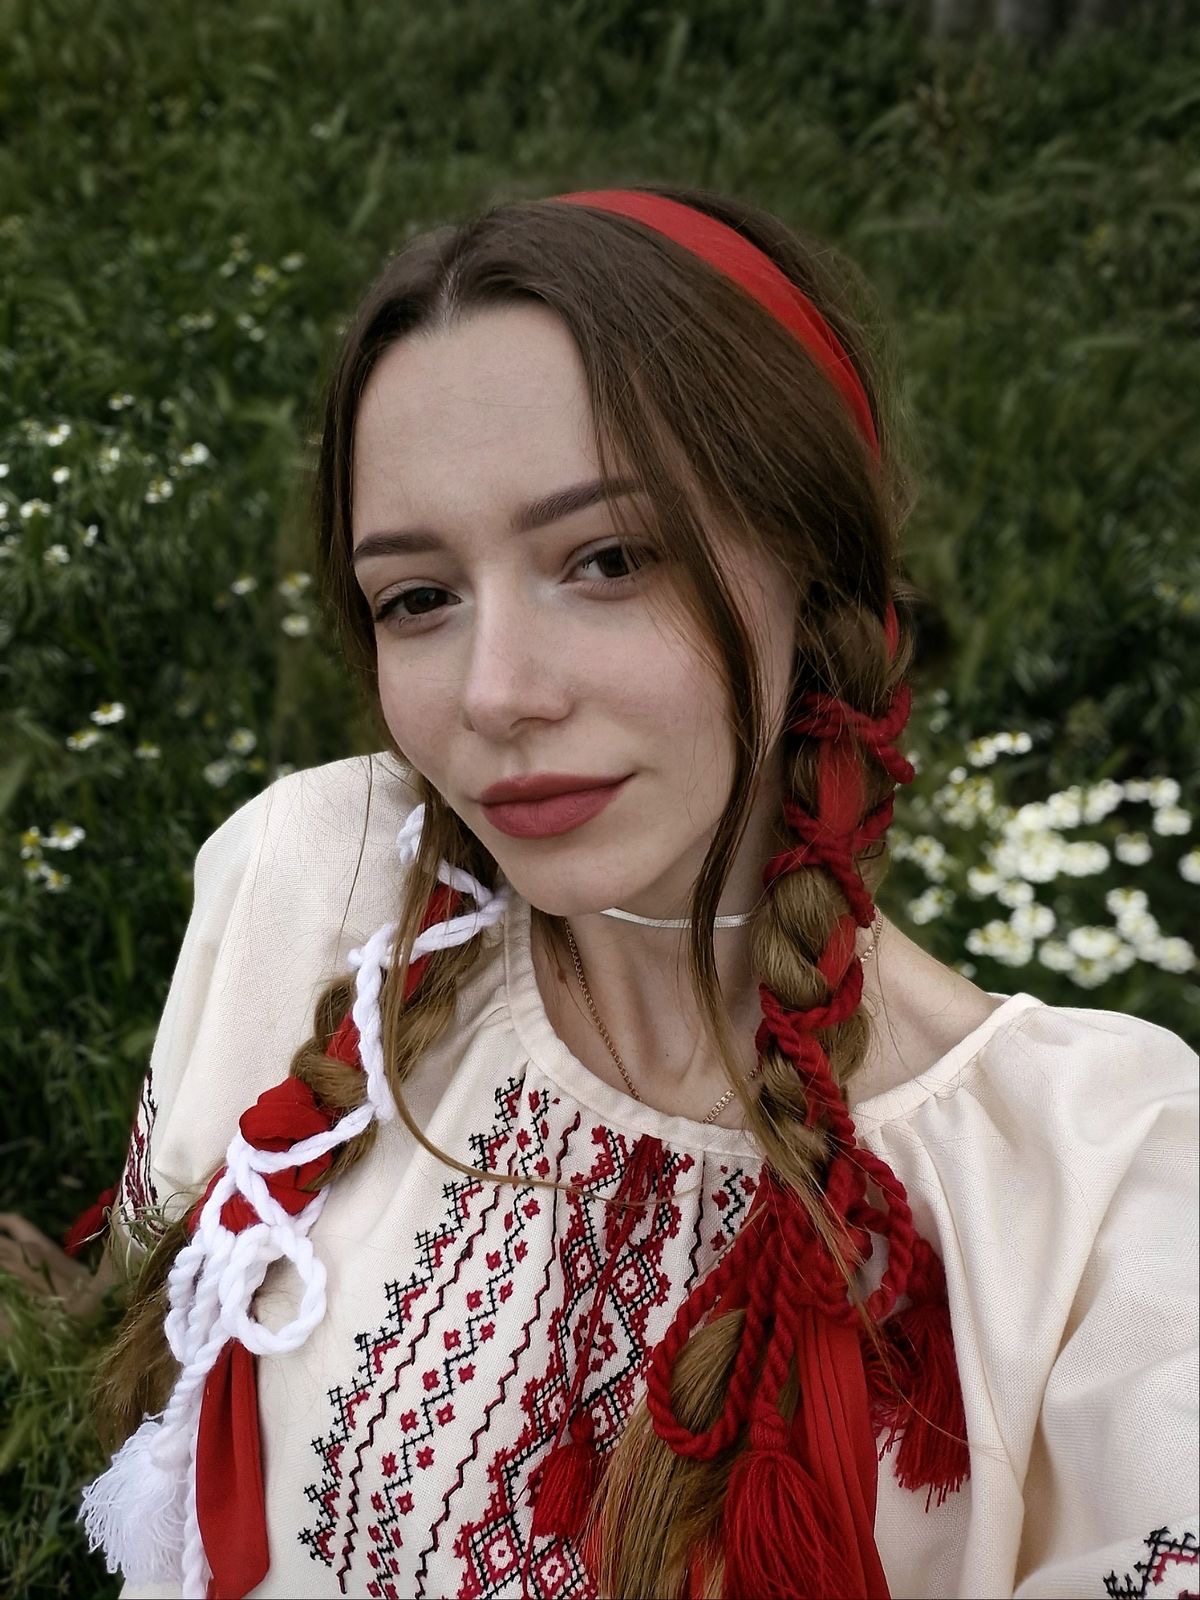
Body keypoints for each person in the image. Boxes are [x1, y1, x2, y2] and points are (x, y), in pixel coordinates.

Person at [50, 184, 1196, 1599]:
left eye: (606, 560)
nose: (495, 696)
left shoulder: (1103, 1188)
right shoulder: (326, 876)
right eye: (419, 598)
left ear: (812, 566)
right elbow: (150, 1334)